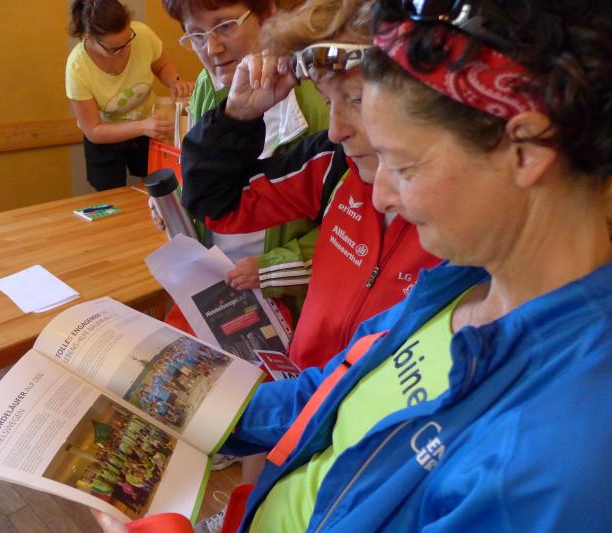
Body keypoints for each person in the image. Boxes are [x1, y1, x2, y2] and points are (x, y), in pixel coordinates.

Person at [97, 0, 612, 530]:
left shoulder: (563, 457)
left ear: (526, 150)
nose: (381, 194)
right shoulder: (457, 287)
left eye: (403, 165)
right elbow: (334, 395)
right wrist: (175, 407)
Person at [180, 0, 441, 370]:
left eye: (357, 100)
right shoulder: (333, 162)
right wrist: (238, 116)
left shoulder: (463, 219)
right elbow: (216, 205)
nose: (336, 130)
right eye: (328, 101)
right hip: (303, 385)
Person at [159, 0, 330, 322]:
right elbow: (211, 180)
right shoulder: (208, 86)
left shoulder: (319, 97)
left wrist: (272, 267)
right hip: (221, 283)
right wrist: (177, 205)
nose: (212, 48)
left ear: (268, 16)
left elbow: (348, 223)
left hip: (291, 300)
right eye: (196, 35)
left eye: (225, 26)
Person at [66, 0, 194, 191]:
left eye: (128, 40)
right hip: (107, 136)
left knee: (158, 185)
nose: (124, 50)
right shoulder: (77, 68)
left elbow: (162, 65)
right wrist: (142, 127)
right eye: (114, 48)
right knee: (110, 193)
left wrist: (174, 82)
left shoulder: (142, 34)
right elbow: (94, 131)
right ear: (90, 38)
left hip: (147, 125)